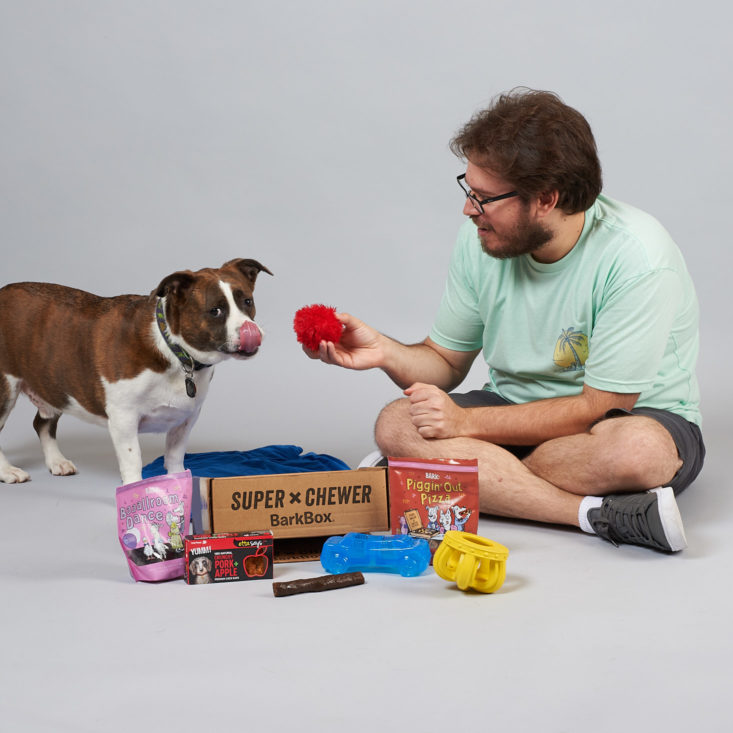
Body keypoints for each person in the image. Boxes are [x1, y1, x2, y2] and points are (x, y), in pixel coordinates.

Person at [304, 88, 705, 553]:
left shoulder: (637, 255)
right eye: (468, 189)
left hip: (623, 419)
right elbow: (444, 363)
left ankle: (444, 476)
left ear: (546, 199)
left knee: (637, 453)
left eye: (485, 197)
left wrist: (462, 431)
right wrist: (383, 351)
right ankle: (593, 515)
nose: (468, 209)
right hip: (513, 410)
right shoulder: (479, 240)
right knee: (397, 424)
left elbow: (599, 407)